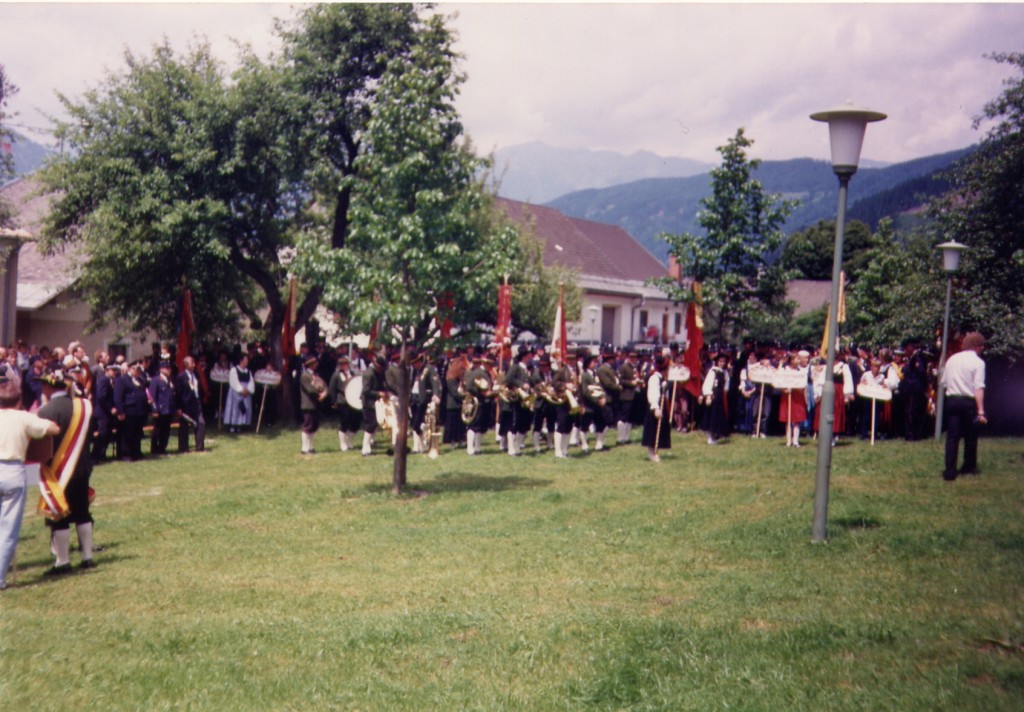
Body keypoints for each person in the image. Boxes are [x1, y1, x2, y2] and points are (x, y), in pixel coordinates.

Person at [1, 378, 60, 590]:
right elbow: (53, 429)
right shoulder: (23, 417)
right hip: (13, 470)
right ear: (18, 400)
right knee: (8, 528)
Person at [37, 368, 96, 576]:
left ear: (48, 386)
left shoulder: (45, 411)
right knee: (82, 512)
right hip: (81, 467)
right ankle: (87, 557)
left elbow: (41, 446)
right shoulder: (84, 407)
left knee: (59, 516)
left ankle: (62, 561)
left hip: (56, 471)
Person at [940, 332, 987, 481]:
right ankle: (968, 467)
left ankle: (950, 471)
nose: (982, 349)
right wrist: (981, 411)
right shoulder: (978, 363)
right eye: (982, 346)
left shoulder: (952, 359)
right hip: (968, 401)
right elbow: (978, 388)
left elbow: (944, 382)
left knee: (952, 436)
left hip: (952, 399)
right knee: (971, 435)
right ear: (977, 346)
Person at [642, 355, 671, 462]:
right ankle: (652, 453)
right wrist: (655, 407)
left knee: (660, 429)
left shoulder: (662, 379)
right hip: (655, 406)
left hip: (662, 405)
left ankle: (656, 450)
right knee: (653, 430)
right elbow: (653, 393)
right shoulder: (654, 378)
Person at [175, 356, 206, 453]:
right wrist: (178, 407)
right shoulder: (181, 377)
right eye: (191, 363)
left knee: (201, 423)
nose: (193, 364)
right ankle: (183, 448)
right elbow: (178, 393)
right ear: (186, 365)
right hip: (185, 405)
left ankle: (200, 447)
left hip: (196, 404)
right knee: (184, 426)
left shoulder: (196, 374)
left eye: (193, 362)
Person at [298, 354, 328, 454]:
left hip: (315, 404)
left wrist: (325, 392)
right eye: (315, 363)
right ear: (310, 364)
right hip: (308, 404)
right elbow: (310, 390)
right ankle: (304, 448)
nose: (317, 364)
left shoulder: (315, 375)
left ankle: (310, 447)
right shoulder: (305, 375)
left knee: (313, 426)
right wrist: (320, 394)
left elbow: (322, 385)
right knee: (307, 426)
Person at [702, 352, 731, 445]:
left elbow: (726, 385)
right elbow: (707, 384)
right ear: (717, 362)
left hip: (721, 397)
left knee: (719, 416)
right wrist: (708, 395)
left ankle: (716, 435)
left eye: (724, 362)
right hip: (714, 396)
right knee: (712, 416)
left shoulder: (725, 372)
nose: (722, 363)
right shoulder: (713, 371)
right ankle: (710, 436)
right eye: (720, 361)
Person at [148, 361, 176, 456]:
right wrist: (154, 410)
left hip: (168, 409)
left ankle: (162, 448)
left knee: (166, 430)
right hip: (160, 409)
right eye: (167, 368)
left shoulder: (169, 380)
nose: (169, 370)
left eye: (169, 368)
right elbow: (152, 396)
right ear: (161, 369)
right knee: (157, 430)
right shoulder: (156, 380)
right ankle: (154, 449)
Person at [224, 353, 253, 433]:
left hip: (246, 392)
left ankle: (242, 425)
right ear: (241, 360)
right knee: (235, 408)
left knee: (245, 408)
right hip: (236, 392)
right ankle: (233, 425)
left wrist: (248, 390)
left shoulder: (248, 371)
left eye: (247, 360)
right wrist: (241, 390)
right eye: (245, 359)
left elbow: (251, 382)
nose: (247, 361)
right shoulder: (234, 370)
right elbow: (234, 381)